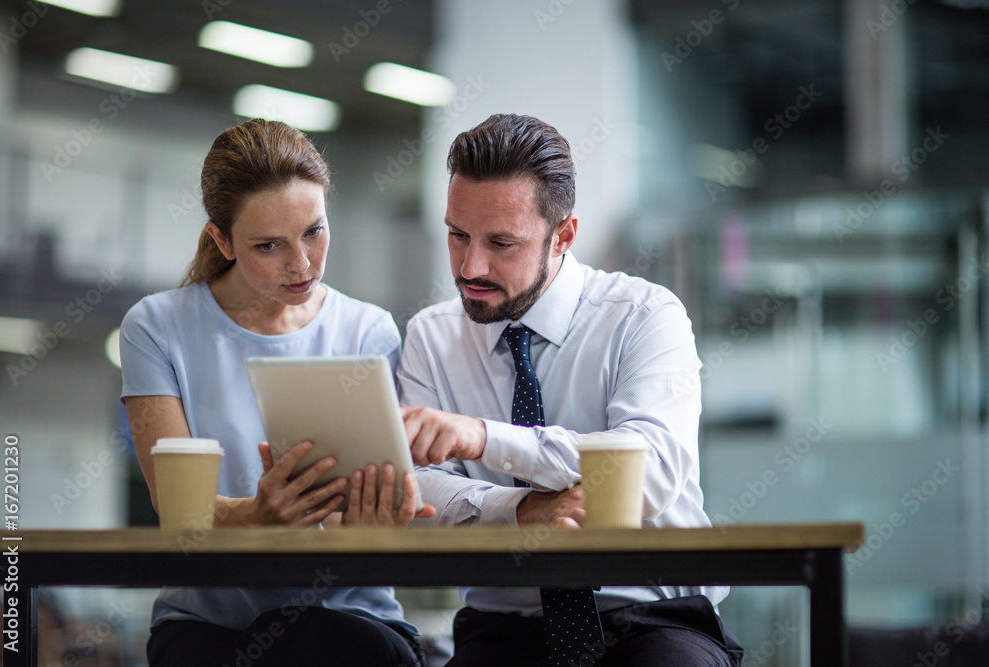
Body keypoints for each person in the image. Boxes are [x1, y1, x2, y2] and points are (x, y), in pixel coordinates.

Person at [397, 113, 744, 666]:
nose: (470, 265)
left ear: (564, 236)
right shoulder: (431, 337)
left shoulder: (644, 316)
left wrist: (485, 439)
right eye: (457, 235)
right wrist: (521, 512)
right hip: (502, 630)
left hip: (651, 624)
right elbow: (416, 491)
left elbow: (645, 476)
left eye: (501, 243)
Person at [119, 118, 432, 667]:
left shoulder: (368, 330)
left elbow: (357, 521)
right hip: (207, 625)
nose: (302, 263)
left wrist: (368, 523)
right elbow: (178, 509)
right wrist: (256, 516)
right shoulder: (157, 327)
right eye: (269, 245)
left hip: (350, 620)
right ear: (222, 239)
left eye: (314, 230)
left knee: (311, 640)